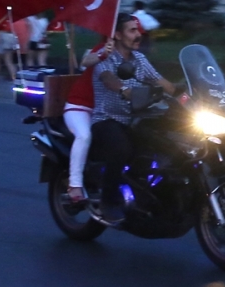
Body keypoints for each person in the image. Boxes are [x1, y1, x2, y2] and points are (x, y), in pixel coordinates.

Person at [91, 13, 176, 223]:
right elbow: (109, 80)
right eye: (132, 30)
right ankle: (108, 201)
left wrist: (183, 94)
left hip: (135, 119)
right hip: (107, 119)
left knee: (169, 142)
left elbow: (160, 81)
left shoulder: (139, 59)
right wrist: (125, 90)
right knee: (121, 149)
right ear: (118, 35)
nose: (138, 35)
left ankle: (152, 192)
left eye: (138, 30)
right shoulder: (105, 58)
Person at [63, 37, 115, 203]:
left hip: (105, 111)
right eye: (131, 31)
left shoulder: (135, 57)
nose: (136, 37)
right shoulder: (105, 48)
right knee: (84, 135)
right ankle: (75, 185)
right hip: (80, 106)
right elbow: (86, 61)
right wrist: (103, 54)